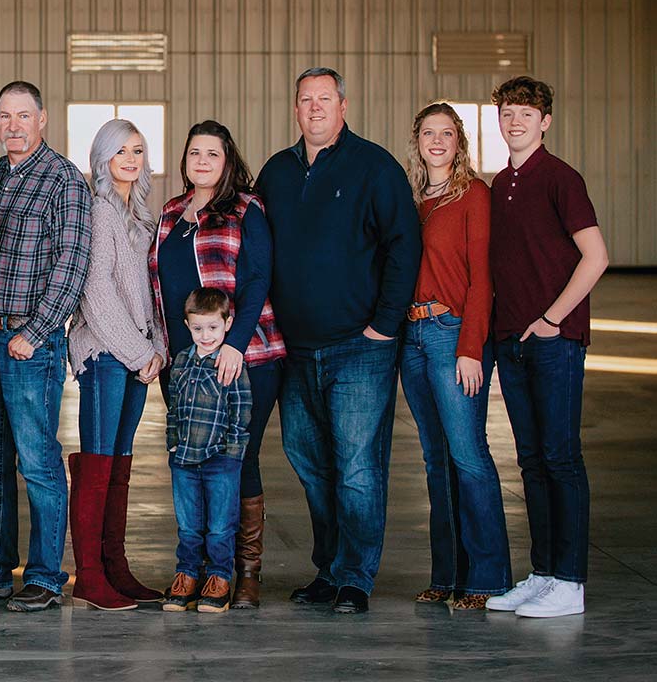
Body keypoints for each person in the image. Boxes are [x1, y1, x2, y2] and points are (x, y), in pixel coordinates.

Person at [255, 67, 421, 614]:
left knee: (355, 466)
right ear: (295, 109)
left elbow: (404, 247)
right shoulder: (276, 172)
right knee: (309, 461)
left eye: (325, 99)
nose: (315, 108)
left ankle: (355, 577)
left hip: (359, 346)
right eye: (306, 100)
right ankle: (328, 568)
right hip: (294, 350)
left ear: (343, 105)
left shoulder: (375, 167)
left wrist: (385, 325)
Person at [484, 76, 608, 619]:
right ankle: (543, 573)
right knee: (531, 462)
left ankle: (571, 582)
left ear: (545, 122)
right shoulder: (497, 185)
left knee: (560, 458)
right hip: (510, 339)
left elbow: (596, 256)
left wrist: (553, 319)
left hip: (554, 341)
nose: (516, 122)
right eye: (508, 113)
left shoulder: (561, 179)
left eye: (526, 114)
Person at [0, 80, 92, 612]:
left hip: (27, 343)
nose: (13, 125)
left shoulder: (64, 180)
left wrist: (33, 333)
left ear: (43, 119)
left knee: (37, 460)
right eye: (4, 116)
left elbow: (72, 265)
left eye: (23, 116)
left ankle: (44, 574)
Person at [149, 120, 285, 609]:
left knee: (235, 459)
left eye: (213, 154)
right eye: (194, 153)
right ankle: (196, 568)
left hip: (243, 358)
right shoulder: (169, 214)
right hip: (185, 364)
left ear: (227, 160)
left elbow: (257, 280)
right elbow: (159, 290)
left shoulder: (247, 209)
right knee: (191, 458)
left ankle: (242, 573)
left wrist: (236, 344)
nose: (202, 161)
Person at [399, 103, 511, 610]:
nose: (437, 141)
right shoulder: (413, 199)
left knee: (469, 457)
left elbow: (483, 277)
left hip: (451, 334)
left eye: (447, 133)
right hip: (413, 338)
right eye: (429, 133)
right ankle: (446, 576)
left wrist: (471, 348)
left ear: (459, 141)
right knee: (435, 461)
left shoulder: (475, 196)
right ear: (417, 140)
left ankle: (487, 579)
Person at [66, 119, 166, 611]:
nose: (130, 158)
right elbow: (97, 293)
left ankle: (116, 568)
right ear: (102, 157)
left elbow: (151, 293)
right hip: (104, 355)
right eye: (120, 150)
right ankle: (88, 575)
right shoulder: (97, 211)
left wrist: (158, 347)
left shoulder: (141, 218)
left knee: (120, 464)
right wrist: (139, 351)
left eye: (138, 150)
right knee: (100, 461)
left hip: (136, 358)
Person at [161, 289, 252, 613]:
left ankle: (219, 577)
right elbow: (173, 408)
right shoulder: (182, 362)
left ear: (227, 324)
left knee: (220, 525)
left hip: (220, 460)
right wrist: (172, 441)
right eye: (198, 328)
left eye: (213, 327)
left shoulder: (231, 362)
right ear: (187, 325)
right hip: (184, 458)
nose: (206, 335)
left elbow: (241, 413)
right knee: (188, 525)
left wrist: (232, 453)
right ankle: (187, 575)